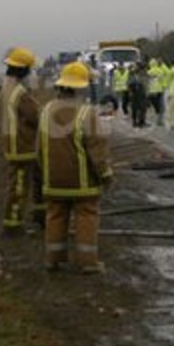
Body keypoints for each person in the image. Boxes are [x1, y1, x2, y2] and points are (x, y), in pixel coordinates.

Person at [38, 61, 113, 273]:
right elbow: (98, 151)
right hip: (83, 184)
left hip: (53, 182)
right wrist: (106, 175)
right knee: (86, 216)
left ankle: (53, 259)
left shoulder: (46, 111)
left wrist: (45, 173)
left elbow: (39, 149)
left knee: (55, 216)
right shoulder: (87, 113)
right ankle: (87, 262)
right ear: (82, 87)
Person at [0, 47, 43, 235]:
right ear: (23, 71)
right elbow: (35, 116)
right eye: (29, 70)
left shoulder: (5, 89)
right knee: (19, 187)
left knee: (37, 180)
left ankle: (40, 214)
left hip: (14, 144)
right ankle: (13, 225)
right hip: (23, 147)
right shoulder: (20, 93)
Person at [128, 62, 148, 128]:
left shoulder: (144, 73)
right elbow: (129, 82)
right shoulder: (132, 73)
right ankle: (134, 121)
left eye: (137, 66)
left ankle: (142, 121)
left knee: (143, 107)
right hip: (134, 91)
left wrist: (146, 91)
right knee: (135, 107)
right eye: (136, 66)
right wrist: (130, 91)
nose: (136, 67)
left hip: (142, 91)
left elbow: (146, 82)